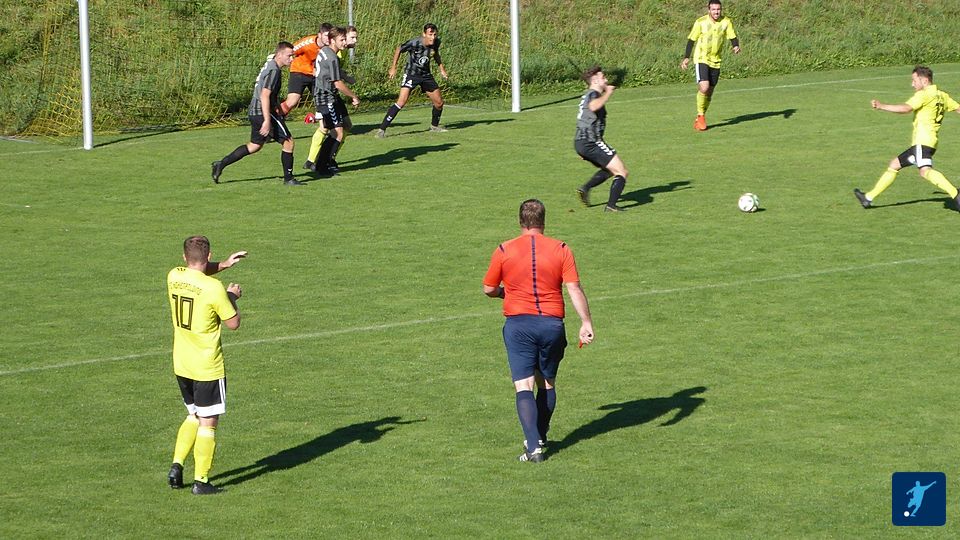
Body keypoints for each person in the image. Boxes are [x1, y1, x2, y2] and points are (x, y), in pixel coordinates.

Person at [482, 199, 595, 462]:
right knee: (546, 382)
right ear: (543, 221)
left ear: (520, 221)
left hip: (519, 325)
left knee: (524, 385)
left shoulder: (504, 249)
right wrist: (586, 322)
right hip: (551, 325)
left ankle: (533, 448)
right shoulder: (561, 249)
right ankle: (540, 437)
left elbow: (488, 289)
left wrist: (505, 293)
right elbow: (574, 288)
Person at [166, 236, 245, 495]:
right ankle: (201, 482)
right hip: (207, 366)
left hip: (182, 363)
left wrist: (224, 265)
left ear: (184, 257)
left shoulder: (174, 276)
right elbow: (233, 323)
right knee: (208, 422)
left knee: (194, 415)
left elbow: (197, 273)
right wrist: (231, 296)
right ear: (208, 255)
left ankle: (177, 466)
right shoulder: (214, 289)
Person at [854, 66, 960, 211]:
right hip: (930, 142)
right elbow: (958, 109)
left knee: (925, 171)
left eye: (914, 80)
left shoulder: (923, 95)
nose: (912, 84)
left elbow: (906, 108)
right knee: (894, 165)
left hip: (922, 141)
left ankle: (956, 194)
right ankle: (868, 198)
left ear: (924, 80)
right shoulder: (942, 95)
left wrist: (881, 106)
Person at [211, 41, 304, 186]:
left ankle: (221, 164)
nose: (291, 59)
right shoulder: (274, 70)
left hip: (255, 111)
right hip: (262, 111)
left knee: (255, 145)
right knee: (288, 142)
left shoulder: (271, 65)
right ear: (279, 55)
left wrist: (277, 107)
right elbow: (265, 95)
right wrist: (267, 120)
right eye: (289, 56)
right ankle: (289, 178)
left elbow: (270, 93)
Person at [376, 23, 449, 138]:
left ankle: (434, 126)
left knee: (439, 103)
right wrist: (393, 67)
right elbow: (399, 49)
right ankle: (382, 129)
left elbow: (436, 55)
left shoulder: (436, 43)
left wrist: (442, 69)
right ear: (424, 34)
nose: (433, 37)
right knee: (401, 102)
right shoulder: (414, 43)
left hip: (426, 75)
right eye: (430, 34)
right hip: (411, 75)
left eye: (435, 34)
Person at [304, 27, 360, 175]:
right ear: (332, 41)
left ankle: (325, 161)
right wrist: (353, 96)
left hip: (331, 96)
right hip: (326, 97)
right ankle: (322, 164)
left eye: (345, 39)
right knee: (337, 133)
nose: (345, 42)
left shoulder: (324, 51)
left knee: (346, 125)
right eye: (342, 40)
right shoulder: (332, 57)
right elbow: (337, 83)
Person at [574, 66, 630, 212]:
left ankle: (585, 188)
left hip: (582, 141)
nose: (606, 80)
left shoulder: (588, 95)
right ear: (595, 81)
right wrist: (608, 93)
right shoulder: (593, 95)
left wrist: (582, 148)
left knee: (609, 169)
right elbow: (594, 107)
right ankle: (611, 206)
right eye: (603, 77)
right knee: (621, 171)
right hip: (591, 141)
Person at [679, 0, 740, 132]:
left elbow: (732, 36)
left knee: (709, 92)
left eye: (718, 9)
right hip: (701, 58)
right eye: (713, 9)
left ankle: (700, 117)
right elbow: (691, 40)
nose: (716, 12)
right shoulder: (700, 22)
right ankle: (701, 116)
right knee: (704, 87)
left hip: (716, 61)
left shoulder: (726, 22)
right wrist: (686, 57)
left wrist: (735, 46)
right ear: (709, 10)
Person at [280, 23, 334, 117]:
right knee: (293, 100)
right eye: (326, 35)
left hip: (317, 75)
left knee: (324, 100)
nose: (328, 39)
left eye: (330, 36)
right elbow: (291, 51)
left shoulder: (331, 46)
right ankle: (275, 116)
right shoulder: (307, 43)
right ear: (319, 35)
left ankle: (328, 123)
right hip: (299, 71)